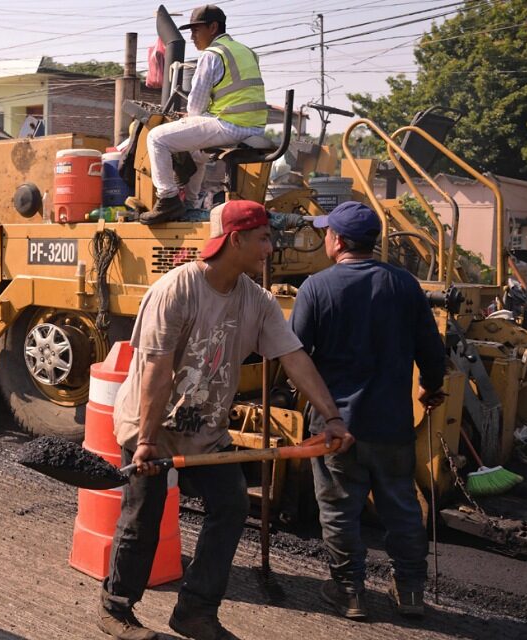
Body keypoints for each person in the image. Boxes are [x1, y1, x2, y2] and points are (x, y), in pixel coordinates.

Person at [98, 200, 354, 640]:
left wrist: (331, 417)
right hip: (150, 425)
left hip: (205, 431)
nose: (270, 250)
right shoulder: (176, 289)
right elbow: (157, 371)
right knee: (144, 514)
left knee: (232, 506)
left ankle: (195, 611)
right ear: (235, 240)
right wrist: (145, 440)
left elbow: (294, 358)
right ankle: (116, 607)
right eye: (263, 239)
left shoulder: (258, 301)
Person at [290, 201, 446, 620]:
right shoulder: (406, 285)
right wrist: (432, 387)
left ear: (337, 240)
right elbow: (432, 349)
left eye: (326, 232)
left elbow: (296, 355)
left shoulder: (316, 288)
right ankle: (410, 591)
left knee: (340, 510)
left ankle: (350, 592)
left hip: (337, 425)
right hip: (392, 423)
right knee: (402, 507)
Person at [140, 5, 267, 225]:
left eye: (196, 30)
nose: (192, 37)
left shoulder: (213, 54)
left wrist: (188, 117)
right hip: (254, 128)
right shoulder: (247, 52)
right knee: (196, 152)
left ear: (213, 27)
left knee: (157, 138)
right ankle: (189, 204)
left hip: (231, 125)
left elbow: (196, 105)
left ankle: (168, 199)